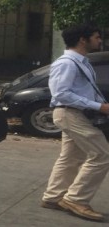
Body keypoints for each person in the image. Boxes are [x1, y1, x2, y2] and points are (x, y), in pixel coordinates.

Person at [41, 24, 109, 221]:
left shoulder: (82, 62)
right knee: (103, 155)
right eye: (96, 36)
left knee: (70, 157)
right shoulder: (66, 63)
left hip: (76, 114)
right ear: (82, 39)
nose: (100, 40)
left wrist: (100, 105)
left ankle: (53, 197)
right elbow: (61, 94)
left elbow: (83, 91)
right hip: (70, 114)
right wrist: (98, 107)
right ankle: (76, 199)